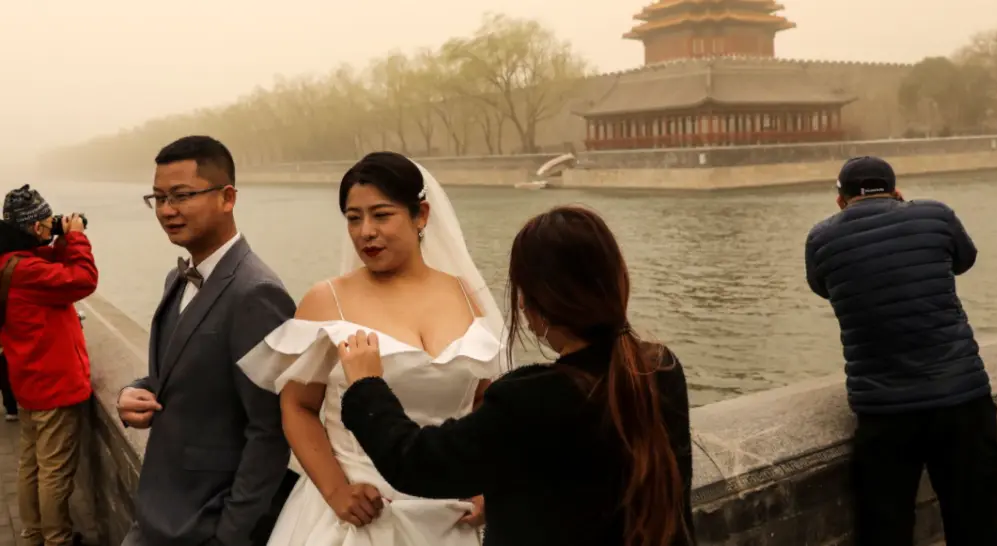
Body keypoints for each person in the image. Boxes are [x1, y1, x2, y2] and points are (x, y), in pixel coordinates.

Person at [337, 205, 695, 546]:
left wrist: (368, 387)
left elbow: (416, 463)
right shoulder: (659, 367)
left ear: (536, 302)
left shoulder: (532, 400)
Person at [237, 151, 505, 546]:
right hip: (356, 520)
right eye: (353, 218)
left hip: (450, 518)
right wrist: (336, 491)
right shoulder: (327, 300)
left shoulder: (465, 295)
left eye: (381, 215)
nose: (366, 232)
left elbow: (483, 402)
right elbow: (297, 406)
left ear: (421, 215)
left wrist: (484, 483)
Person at [804, 156, 997, 546]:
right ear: (896, 192)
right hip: (960, 397)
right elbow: (964, 259)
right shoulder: (936, 215)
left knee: (885, 530)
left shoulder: (821, 239)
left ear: (840, 200)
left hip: (883, 410)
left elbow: (823, 287)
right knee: (977, 523)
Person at [115, 136, 297, 546]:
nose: (167, 210)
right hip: (157, 510)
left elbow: (270, 430)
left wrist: (229, 534)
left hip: (206, 522)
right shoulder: (177, 278)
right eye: (158, 197)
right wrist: (134, 391)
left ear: (227, 197)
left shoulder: (257, 293)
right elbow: (178, 373)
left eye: (181, 196)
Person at [0, 184, 96, 546]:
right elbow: (83, 279)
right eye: (46, 222)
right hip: (53, 385)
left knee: (31, 464)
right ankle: (57, 539)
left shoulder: (9, 261)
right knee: (54, 470)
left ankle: (33, 533)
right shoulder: (27, 271)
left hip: (28, 380)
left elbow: (44, 264)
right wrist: (77, 238)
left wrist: (60, 237)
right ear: (35, 227)